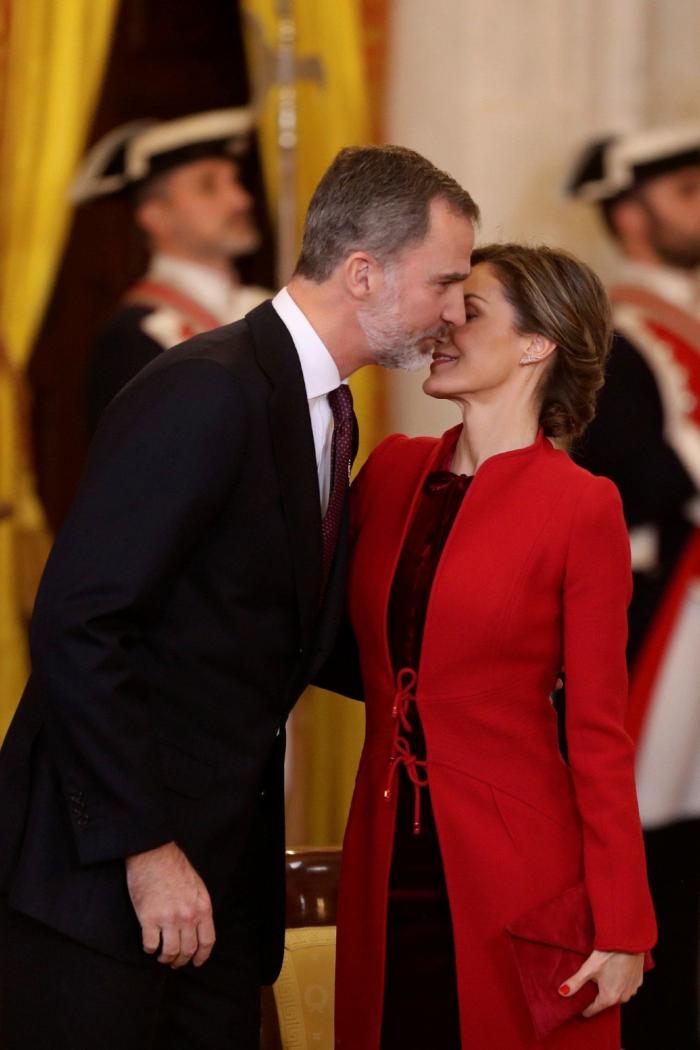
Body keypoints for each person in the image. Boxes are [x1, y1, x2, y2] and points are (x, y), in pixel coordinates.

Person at [0, 145, 477, 1050]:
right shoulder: (205, 389)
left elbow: (281, 628)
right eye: (445, 281)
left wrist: (477, 688)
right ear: (365, 273)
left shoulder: (328, 407)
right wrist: (143, 850)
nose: (455, 310)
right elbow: (79, 620)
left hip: (216, 873)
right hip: (103, 882)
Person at [331, 244, 656, 1049]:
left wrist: (623, 925)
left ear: (538, 343)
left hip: (518, 872)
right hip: (381, 853)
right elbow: (317, 640)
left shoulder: (582, 506)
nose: (440, 324)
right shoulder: (393, 470)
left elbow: (599, 733)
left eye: (468, 311)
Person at [569, 125, 700, 1050]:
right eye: (687, 192)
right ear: (631, 215)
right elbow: (638, 479)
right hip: (660, 624)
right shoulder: (618, 334)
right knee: (657, 850)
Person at [71, 108, 272, 432]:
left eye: (235, 181)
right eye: (208, 186)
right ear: (156, 216)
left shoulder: (267, 307)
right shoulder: (137, 336)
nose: (240, 199)